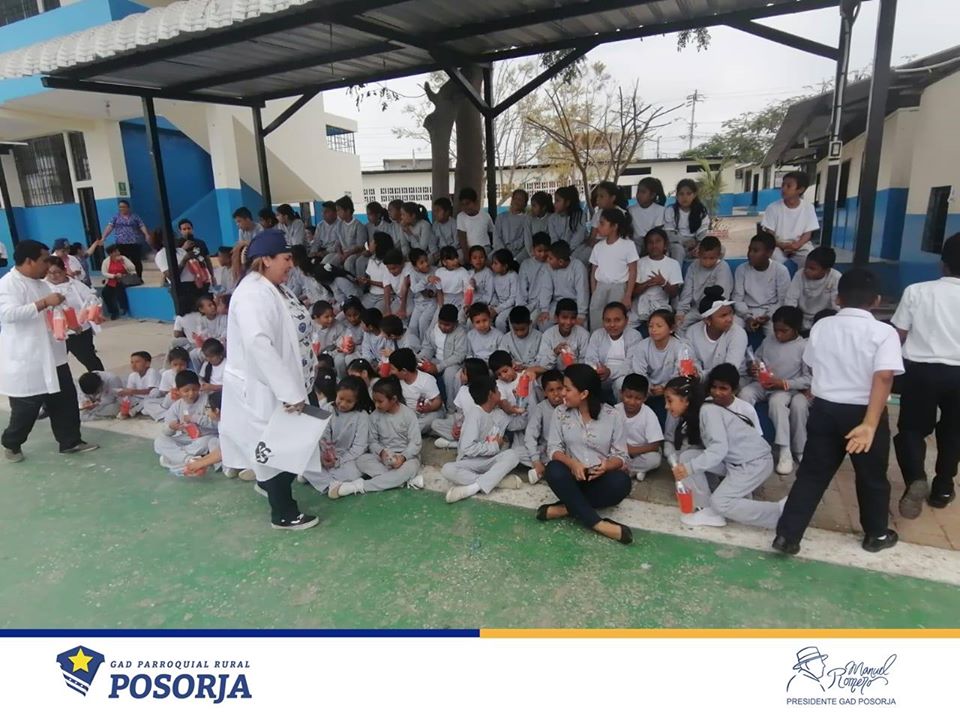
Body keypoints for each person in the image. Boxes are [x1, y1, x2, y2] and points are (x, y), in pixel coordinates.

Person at [775, 268, 903, 555]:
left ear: (838, 298)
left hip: (825, 409)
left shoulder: (822, 327)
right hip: (864, 412)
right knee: (871, 476)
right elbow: (884, 377)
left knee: (812, 474)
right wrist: (870, 424)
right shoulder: (884, 333)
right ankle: (876, 534)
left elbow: (812, 362)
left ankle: (787, 535)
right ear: (877, 300)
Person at [219, 228, 320, 530]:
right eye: (286, 258)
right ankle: (283, 513)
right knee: (276, 448)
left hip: (293, 380)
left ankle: (269, 485)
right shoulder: (252, 294)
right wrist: (290, 393)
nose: (291, 264)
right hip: (269, 388)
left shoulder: (273, 286)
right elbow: (259, 344)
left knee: (297, 439)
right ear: (266, 259)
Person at [1, 240, 98, 462]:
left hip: (53, 355)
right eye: (44, 260)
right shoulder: (8, 285)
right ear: (29, 261)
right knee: (26, 409)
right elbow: (7, 314)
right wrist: (44, 303)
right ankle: (12, 443)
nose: (48, 265)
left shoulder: (42, 284)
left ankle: (70, 441)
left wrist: (70, 321)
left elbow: (53, 311)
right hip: (27, 359)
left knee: (65, 400)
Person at [892, 233, 960, 518]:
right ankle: (943, 486)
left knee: (912, 429)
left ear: (942, 263)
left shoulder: (916, 291)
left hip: (920, 370)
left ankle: (916, 478)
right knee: (954, 430)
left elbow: (898, 334)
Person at [666, 375, 781, 529]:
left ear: (686, 400)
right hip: (733, 462)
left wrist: (689, 469)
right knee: (687, 457)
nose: (666, 406)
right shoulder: (700, 411)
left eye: (669, 400)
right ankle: (707, 511)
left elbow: (718, 450)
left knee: (720, 503)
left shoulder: (708, 411)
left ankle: (780, 513)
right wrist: (689, 467)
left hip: (754, 463)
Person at [538, 364, 633, 544]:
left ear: (584, 394)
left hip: (599, 478)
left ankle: (565, 508)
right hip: (572, 478)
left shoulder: (612, 416)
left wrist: (607, 466)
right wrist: (572, 464)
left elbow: (622, 456)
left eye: (567, 389)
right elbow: (553, 449)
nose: (562, 393)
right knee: (554, 469)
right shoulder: (560, 412)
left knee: (622, 482)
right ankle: (598, 524)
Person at [739, 306, 811, 475]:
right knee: (745, 394)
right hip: (763, 384)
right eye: (776, 330)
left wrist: (783, 383)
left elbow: (808, 379)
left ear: (796, 328)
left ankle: (785, 449)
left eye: (784, 331)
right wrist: (753, 367)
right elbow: (757, 359)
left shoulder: (803, 347)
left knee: (777, 402)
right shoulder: (768, 340)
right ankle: (746, 441)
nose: (778, 335)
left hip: (786, 388)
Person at [441, 375, 523, 503]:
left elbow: (519, 424)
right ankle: (495, 482)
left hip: (490, 461)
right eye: (497, 389)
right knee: (447, 469)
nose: (500, 392)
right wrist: (495, 446)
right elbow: (468, 448)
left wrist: (521, 403)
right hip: (471, 462)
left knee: (513, 455)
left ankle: (476, 486)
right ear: (491, 394)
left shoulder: (500, 414)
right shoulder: (475, 414)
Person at [348, 377, 424, 497]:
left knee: (410, 468)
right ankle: (399, 480)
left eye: (380, 401)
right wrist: (382, 452)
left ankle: (358, 487)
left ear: (393, 399)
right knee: (361, 460)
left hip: (407, 459)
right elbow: (372, 442)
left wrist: (402, 458)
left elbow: (415, 443)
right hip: (384, 459)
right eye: (374, 401)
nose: (376, 405)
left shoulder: (408, 414)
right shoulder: (374, 416)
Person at [303, 377, 372, 495]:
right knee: (306, 458)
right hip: (327, 455)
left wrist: (338, 461)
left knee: (355, 471)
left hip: (349, 458)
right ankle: (333, 484)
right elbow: (322, 436)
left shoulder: (362, 416)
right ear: (336, 393)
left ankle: (321, 481)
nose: (343, 404)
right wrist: (325, 456)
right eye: (340, 398)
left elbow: (359, 447)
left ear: (357, 401)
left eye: (349, 401)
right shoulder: (328, 408)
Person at [631, 309, 695, 421]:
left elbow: (684, 375)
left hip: (672, 388)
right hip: (649, 389)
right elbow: (639, 372)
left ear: (671, 328)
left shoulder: (682, 347)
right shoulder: (642, 346)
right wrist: (649, 387)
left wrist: (666, 387)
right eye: (651, 326)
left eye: (659, 326)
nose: (654, 330)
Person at [44, 256, 104, 372]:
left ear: (64, 270)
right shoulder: (43, 286)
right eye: (49, 273)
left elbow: (91, 301)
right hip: (56, 332)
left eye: (57, 272)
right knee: (58, 363)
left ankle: (101, 379)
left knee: (89, 359)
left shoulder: (76, 285)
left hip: (79, 331)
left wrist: (94, 312)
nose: (53, 276)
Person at [154, 370, 218, 475]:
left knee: (208, 441)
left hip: (205, 437)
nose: (191, 393)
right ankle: (190, 460)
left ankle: (174, 458)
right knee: (160, 441)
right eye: (186, 390)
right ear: (178, 391)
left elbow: (216, 424)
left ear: (199, 387)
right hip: (186, 438)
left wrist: (195, 418)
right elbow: (166, 431)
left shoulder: (207, 400)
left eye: (194, 389)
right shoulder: (177, 406)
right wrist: (171, 427)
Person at [588, 208, 639, 331]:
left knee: (615, 321)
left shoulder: (628, 245)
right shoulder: (598, 247)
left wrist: (628, 295)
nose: (598, 227)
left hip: (619, 288)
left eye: (602, 223)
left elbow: (633, 271)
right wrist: (594, 291)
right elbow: (593, 271)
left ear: (614, 226)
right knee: (596, 321)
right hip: (600, 287)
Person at [733, 232, 791, 338]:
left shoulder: (780, 270)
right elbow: (737, 299)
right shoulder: (741, 269)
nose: (750, 254)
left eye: (755, 251)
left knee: (775, 335)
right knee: (732, 329)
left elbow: (782, 300)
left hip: (771, 312)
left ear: (769, 253)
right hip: (746, 310)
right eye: (749, 249)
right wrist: (747, 317)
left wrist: (768, 316)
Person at [584, 302, 642, 402]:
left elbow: (631, 365)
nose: (612, 325)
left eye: (617, 320)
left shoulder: (634, 336)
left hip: (623, 375)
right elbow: (590, 359)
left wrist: (610, 372)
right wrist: (598, 370)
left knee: (621, 383)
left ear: (626, 320)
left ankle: (622, 410)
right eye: (608, 320)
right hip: (601, 376)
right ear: (603, 321)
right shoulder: (597, 335)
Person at [686, 287, 749, 377]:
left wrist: (701, 376)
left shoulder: (738, 333)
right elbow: (692, 361)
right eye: (723, 316)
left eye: (730, 313)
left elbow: (729, 370)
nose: (729, 319)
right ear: (707, 320)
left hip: (733, 380)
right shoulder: (692, 332)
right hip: (702, 379)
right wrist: (697, 374)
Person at [762, 171, 820, 267]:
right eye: (783, 185)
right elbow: (769, 234)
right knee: (773, 259)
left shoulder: (808, 207)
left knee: (810, 258)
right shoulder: (772, 208)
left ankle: (801, 277)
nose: (783, 189)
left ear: (800, 189)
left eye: (788, 186)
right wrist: (782, 245)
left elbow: (808, 233)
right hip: (777, 245)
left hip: (801, 245)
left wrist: (797, 245)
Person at [675, 236, 733, 331]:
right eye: (704, 258)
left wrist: (710, 315)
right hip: (697, 310)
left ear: (718, 255)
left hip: (716, 310)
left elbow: (723, 295)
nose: (707, 262)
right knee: (678, 326)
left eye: (712, 258)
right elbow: (687, 293)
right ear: (699, 254)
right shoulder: (693, 267)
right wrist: (680, 312)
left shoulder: (723, 267)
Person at [419, 304, 468, 410]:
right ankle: (427, 403)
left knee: (449, 374)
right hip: (436, 360)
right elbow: (428, 347)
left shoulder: (460, 333)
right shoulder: (433, 329)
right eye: (440, 323)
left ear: (455, 323)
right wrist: (422, 360)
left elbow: (459, 355)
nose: (442, 327)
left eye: (447, 325)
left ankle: (450, 408)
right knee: (420, 367)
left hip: (453, 364)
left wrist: (438, 367)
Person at [616, 373, 663, 481]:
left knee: (654, 459)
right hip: (620, 451)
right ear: (621, 393)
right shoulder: (615, 411)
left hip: (642, 451)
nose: (632, 402)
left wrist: (632, 450)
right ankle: (637, 470)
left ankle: (629, 469)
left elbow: (655, 445)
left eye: (638, 398)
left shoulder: (649, 414)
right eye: (628, 397)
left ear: (645, 398)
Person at [522, 369, 565, 484]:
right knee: (517, 453)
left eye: (559, 389)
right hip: (546, 451)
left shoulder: (570, 406)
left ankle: (544, 470)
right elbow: (530, 435)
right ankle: (542, 467)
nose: (556, 394)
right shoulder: (541, 408)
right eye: (551, 390)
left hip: (565, 452)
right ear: (544, 393)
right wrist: (536, 460)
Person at [784, 246, 841, 332]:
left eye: (812, 269)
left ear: (827, 270)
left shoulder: (836, 277)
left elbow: (836, 305)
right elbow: (790, 300)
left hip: (823, 319)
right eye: (806, 266)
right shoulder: (799, 274)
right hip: (801, 317)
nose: (807, 270)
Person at [633, 228, 683, 325]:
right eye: (650, 242)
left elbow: (674, 293)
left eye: (658, 241)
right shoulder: (640, 263)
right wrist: (648, 283)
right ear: (646, 246)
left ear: (665, 245)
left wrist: (663, 283)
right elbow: (633, 292)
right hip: (639, 305)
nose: (654, 245)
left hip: (661, 306)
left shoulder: (673, 264)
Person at [390, 348, 443, 434]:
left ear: (404, 371)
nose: (391, 372)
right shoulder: (397, 380)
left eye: (393, 369)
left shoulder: (426, 380)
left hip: (429, 413)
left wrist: (428, 408)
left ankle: (407, 432)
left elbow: (438, 401)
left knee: (430, 419)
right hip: (411, 414)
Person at [538, 241, 589, 328]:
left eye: (550, 258)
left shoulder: (578, 267)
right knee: (544, 323)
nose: (547, 260)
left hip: (575, 304)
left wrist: (581, 314)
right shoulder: (548, 267)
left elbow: (582, 291)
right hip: (557, 303)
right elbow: (546, 289)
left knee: (581, 326)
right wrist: (544, 309)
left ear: (561, 262)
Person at [532, 299, 590, 373]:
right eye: (564, 317)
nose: (568, 322)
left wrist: (573, 362)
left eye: (572, 318)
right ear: (556, 318)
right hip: (554, 373)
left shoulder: (583, 335)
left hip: (576, 373)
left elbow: (586, 362)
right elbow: (542, 365)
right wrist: (554, 353)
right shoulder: (548, 335)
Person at [100, 200, 150, 277]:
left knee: (136, 261)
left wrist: (146, 234)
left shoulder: (135, 216)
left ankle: (138, 277)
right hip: (121, 243)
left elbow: (141, 225)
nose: (121, 209)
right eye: (120, 207)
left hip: (134, 243)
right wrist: (103, 237)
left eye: (123, 207)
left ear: (128, 208)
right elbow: (109, 227)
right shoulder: (116, 217)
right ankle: (125, 278)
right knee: (123, 261)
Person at [662, 179, 709, 261]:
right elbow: (669, 234)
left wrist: (699, 245)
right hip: (677, 244)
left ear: (694, 195)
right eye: (681, 194)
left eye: (688, 193)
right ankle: (677, 270)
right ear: (677, 196)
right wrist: (683, 241)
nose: (685, 197)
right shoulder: (670, 210)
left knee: (720, 250)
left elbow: (702, 234)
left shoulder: (701, 212)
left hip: (695, 243)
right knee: (678, 250)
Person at [142, 347, 191, 421]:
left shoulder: (191, 374)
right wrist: (172, 392)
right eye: (175, 364)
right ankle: (167, 415)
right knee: (147, 403)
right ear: (170, 363)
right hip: (170, 401)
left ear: (187, 364)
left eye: (182, 365)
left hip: (185, 401)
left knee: (185, 407)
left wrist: (182, 394)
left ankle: (169, 415)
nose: (178, 367)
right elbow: (164, 392)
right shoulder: (166, 374)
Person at [548, 186, 589, 263]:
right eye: (555, 200)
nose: (554, 204)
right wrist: (558, 251)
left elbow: (579, 236)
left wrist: (568, 250)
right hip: (559, 251)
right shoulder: (552, 218)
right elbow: (553, 238)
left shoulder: (579, 216)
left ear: (567, 203)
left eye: (557, 201)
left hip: (577, 248)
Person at [498, 306, 542, 372]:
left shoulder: (539, 337)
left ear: (530, 323)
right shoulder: (506, 338)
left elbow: (542, 359)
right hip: (513, 371)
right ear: (511, 325)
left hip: (533, 371)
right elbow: (503, 357)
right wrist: (513, 364)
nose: (519, 333)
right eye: (516, 329)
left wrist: (526, 367)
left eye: (522, 329)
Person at [628, 177, 667, 251]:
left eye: (643, 192)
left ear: (652, 195)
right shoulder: (631, 210)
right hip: (636, 243)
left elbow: (658, 232)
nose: (639, 195)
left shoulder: (660, 210)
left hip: (653, 242)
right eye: (638, 191)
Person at [117, 351, 160, 417]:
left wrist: (133, 391)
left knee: (155, 391)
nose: (133, 365)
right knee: (122, 396)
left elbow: (149, 391)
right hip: (139, 398)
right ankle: (126, 410)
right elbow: (129, 392)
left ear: (147, 363)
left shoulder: (152, 372)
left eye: (137, 362)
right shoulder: (132, 375)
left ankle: (135, 410)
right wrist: (124, 393)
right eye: (132, 362)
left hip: (151, 398)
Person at [519, 232, 551, 322]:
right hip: (528, 303)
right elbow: (521, 288)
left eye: (546, 251)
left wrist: (544, 307)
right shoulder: (526, 264)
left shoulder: (552, 264)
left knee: (532, 321)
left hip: (546, 305)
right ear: (533, 249)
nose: (543, 254)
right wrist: (521, 306)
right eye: (539, 251)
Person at [494, 189, 532, 261]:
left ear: (525, 204)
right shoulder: (500, 217)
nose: (516, 201)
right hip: (500, 251)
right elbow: (496, 236)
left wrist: (511, 248)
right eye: (515, 198)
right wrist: (503, 250)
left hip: (517, 251)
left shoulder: (527, 219)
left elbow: (524, 239)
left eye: (520, 199)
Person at [407, 248, 437, 340]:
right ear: (415, 266)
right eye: (421, 262)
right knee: (412, 327)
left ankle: (425, 344)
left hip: (431, 304)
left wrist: (432, 292)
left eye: (426, 260)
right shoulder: (413, 273)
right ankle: (415, 345)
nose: (426, 264)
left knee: (423, 322)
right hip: (418, 304)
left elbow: (437, 288)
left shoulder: (435, 270)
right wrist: (426, 280)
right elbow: (414, 289)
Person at [100, 244, 136, 320]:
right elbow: (104, 272)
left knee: (119, 288)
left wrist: (123, 262)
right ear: (111, 254)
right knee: (105, 292)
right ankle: (113, 311)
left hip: (125, 278)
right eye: (115, 252)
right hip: (112, 280)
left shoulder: (123, 258)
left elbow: (132, 268)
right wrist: (114, 276)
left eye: (118, 251)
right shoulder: (106, 261)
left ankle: (124, 308)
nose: (118, 253)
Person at [489, 249, 520, 333]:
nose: (492, 266)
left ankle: (503, 338)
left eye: (496, 263)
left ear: (505, 266)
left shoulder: (513, 276)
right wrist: (493, 305)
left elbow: (513, 299)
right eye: (492, 263)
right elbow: (494, 294)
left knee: (500, 321)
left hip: (510, 306)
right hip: (499, 304)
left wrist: (498, 310)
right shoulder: (495, 277)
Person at [456, 187, 494, 256]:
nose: (465, 207)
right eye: (462, 204)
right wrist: (467, 255)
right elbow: (462, 238)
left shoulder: (485, 216)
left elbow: (492, 232)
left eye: (467, 203)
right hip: (468, 249)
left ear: (475, 202)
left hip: (484, 248)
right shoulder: (461, 216)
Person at [433, 245, 470, 314]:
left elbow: (467, 291)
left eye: (456, 257)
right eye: (452, 259)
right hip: (445, 300)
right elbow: (439, 292)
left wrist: (466, 305)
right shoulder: (439, 272)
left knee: (459, 317)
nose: (456, 260)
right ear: (444, 262)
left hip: (460, 300)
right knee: (438, 318)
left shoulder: (463, 271)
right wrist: (441, 307)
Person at [336, 196, 367, 276]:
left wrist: (346, 255)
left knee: (348, 263)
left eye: (339, 210)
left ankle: (353, 282)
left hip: (356, 254)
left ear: (348, 211)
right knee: (329, 262)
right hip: (343, 253)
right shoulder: (339, 225)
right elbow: (338, 243)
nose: (337, 213)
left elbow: (360, 246)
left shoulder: (359, 225)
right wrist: (340, 254)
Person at [431, 197, 458, 261]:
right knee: (428, 259)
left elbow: (456, 242)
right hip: (439, 251)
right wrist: (434, 252)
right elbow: (432, 242)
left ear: (447, 212)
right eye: (434, 211)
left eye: (438, 211)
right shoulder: (435, 225)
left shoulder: (454, 223)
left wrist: (446, 253)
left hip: (453, 251)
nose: (435, 214)